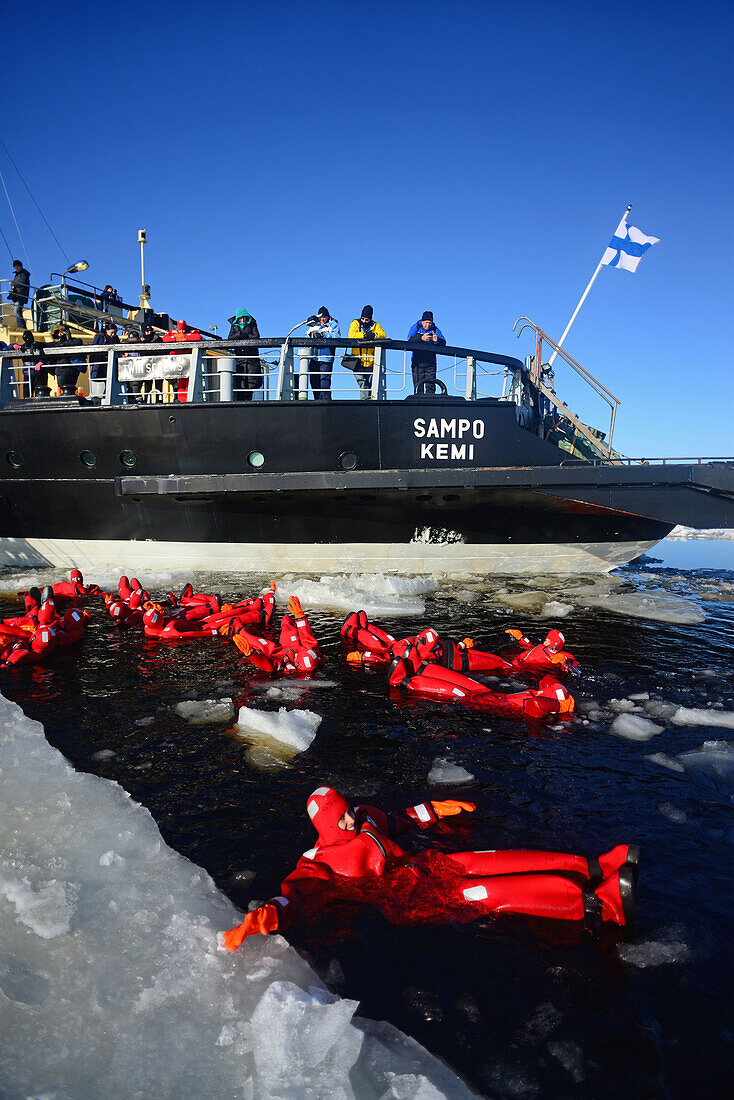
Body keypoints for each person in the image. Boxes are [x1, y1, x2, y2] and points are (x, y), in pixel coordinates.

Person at [221, 787, 639, 951]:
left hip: (424, 866)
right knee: (489, 895)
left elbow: (398, 819)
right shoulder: (319, 861)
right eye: (340, 820)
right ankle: (600, 905)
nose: (348, 821)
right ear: (324, 827)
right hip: (409, 898)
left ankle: (595, 865)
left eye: (347, 812)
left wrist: (434, 810)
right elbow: (296, 892)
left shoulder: (365, 817)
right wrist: (269, 915)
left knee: (492, 859)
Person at [346, 306, 386, 399]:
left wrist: (374, 335)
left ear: (370, 319)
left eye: (366, 319)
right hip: (357, 361)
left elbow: (383, 334)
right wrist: (364, 335)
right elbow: (351, 335)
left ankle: (368, 401)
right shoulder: (355, 323)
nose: (364, 321)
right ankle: (365, 402)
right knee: (363, 383)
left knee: (369, 384)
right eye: (362, 319)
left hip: (371, 362)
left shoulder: (376, 326)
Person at [162, 320, 202, 401]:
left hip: (188, 362)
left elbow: (198, 337)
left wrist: (185, 337)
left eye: (183, 330)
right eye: (180, 330)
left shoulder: (190, 333)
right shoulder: (173, 332)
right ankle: (180, 399)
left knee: (187, 382)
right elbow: (165, 339)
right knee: (179, 382)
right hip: (176, 363)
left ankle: (187, 399)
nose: (181, 331)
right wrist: (176, 337)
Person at [226, 308, 262, 400]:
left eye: (244, 318)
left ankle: (248, 401)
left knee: (251, 383)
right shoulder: (234, 325)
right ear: (238, 318)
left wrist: (243, 335)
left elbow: (256, 337)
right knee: (240, 382)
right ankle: (240, 401)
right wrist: (241, 334)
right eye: (241, 318)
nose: (242, 320)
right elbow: (230, 338)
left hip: (251, 359)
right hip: (240, 359)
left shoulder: (252, 324)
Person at [407, 311, 446, 395]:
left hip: (430, 362)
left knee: (431, 387)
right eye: (426, 322)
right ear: (422, 321)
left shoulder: (435, 329)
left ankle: (430, 404)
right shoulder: (415, 327)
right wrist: (421, 338)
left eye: (430, 323)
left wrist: (437, 340)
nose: (428, 325)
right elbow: (409, 339)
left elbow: (444, 342)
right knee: (418, 387)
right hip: (417, 362)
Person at [306, 307, 340, 400]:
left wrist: (322, 333)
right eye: (321, 317)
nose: (322, 319)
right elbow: (310, 336)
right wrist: (309, 344)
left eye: (324, 317)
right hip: (314, 358)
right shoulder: (314, 324)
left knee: (324, 383)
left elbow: (336, 337)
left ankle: (326, 404)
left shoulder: (333, 324)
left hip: (326, 358)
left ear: (328, 316)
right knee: (314, 382)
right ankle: (317, 403)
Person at [47, 324, 85, 396]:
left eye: (62, 332)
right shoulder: (55, 344)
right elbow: (47, 345)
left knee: (69, 389)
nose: (60, 334)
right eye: (58, 332)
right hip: (62, 371)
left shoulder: (74, 341)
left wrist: (67, 339)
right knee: (65, 389)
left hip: (71, 371)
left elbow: (78, 342)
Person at [12, 329, 49, 397]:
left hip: (38, 373)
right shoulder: (23, 347)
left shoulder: (38, 345)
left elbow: (44, 355)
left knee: (40, 393)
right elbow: (6, 347)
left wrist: (40, 362)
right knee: (27, 394)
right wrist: (13, 345)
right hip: (28, 374)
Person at [89, 320, 120, 385]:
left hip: (111, 362)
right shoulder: (100, 337)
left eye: (115, 333)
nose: (113, 334)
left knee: (110, 380)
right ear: (107, 330)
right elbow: (93, 349)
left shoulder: (116, 339)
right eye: (112, 332)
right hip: (100, 362)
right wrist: (91, 362)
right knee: (99, 380)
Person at [8, 260, 30, 328]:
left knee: (17, 310)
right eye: (15, 266)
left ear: (21, 266)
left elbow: (22, 281)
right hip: (16, 295)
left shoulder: (24, 274)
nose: (16, 268)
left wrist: (13, 283)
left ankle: (21, 326)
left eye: (17, 266)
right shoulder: (17, 275)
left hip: (20, 295)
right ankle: (20, 325)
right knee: (16, 311)